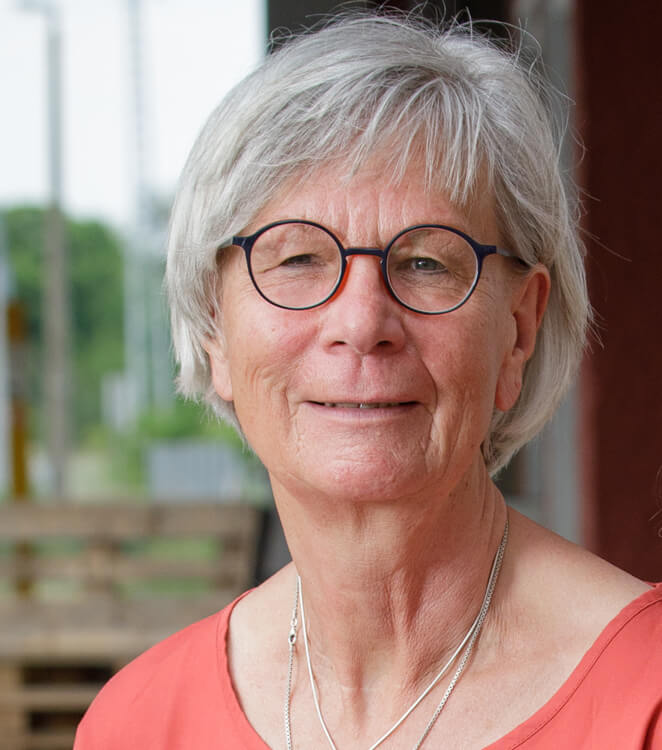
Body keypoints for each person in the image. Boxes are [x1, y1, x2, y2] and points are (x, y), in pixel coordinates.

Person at [74, 12, 661, 749]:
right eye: (297, 259)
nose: (361, 322)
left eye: (426, 262)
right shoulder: (137, 724)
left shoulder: (647, 698)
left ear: (518, 329)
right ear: (212, 327)